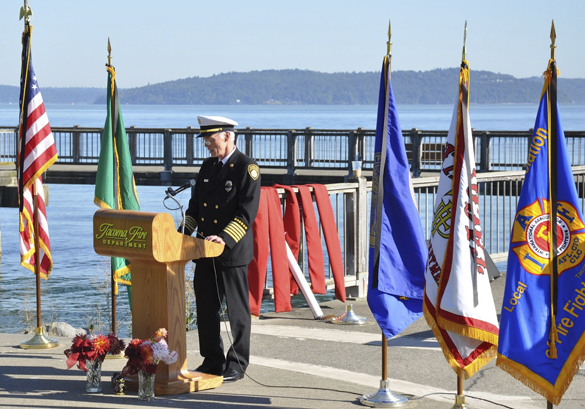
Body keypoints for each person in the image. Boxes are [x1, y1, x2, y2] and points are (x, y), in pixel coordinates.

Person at [181, 115, 261, 382]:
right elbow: (195, 208)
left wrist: (225, 238)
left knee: (237, 311)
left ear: (227, 135)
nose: (206, 143)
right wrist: (182, 234)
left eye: (210, 138)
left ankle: (237, 363)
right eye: (204, 139)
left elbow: (246, 213)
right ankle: (212, 359)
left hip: (231, 251)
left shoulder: (247, 168)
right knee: (206, 307)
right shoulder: (207, 168)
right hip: (204, 250)